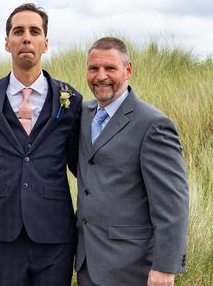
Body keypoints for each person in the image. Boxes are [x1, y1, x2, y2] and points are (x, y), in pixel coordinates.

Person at [0, 3, 83, 286]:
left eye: (35, 31)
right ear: (7, 43)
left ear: (46, 43)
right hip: (2, 230)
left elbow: (78, 162)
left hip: (55, 232)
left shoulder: (70, 99)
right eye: (18, 32)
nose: (26, 38)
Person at [75, 37, 189, 286]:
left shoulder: (153, 124)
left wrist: (164, 267)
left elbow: (172, 202)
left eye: (110, 68)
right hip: (88, 262)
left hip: (132, 266)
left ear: (128, 70)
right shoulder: (83, 114)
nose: (100, 76)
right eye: (93, 68)